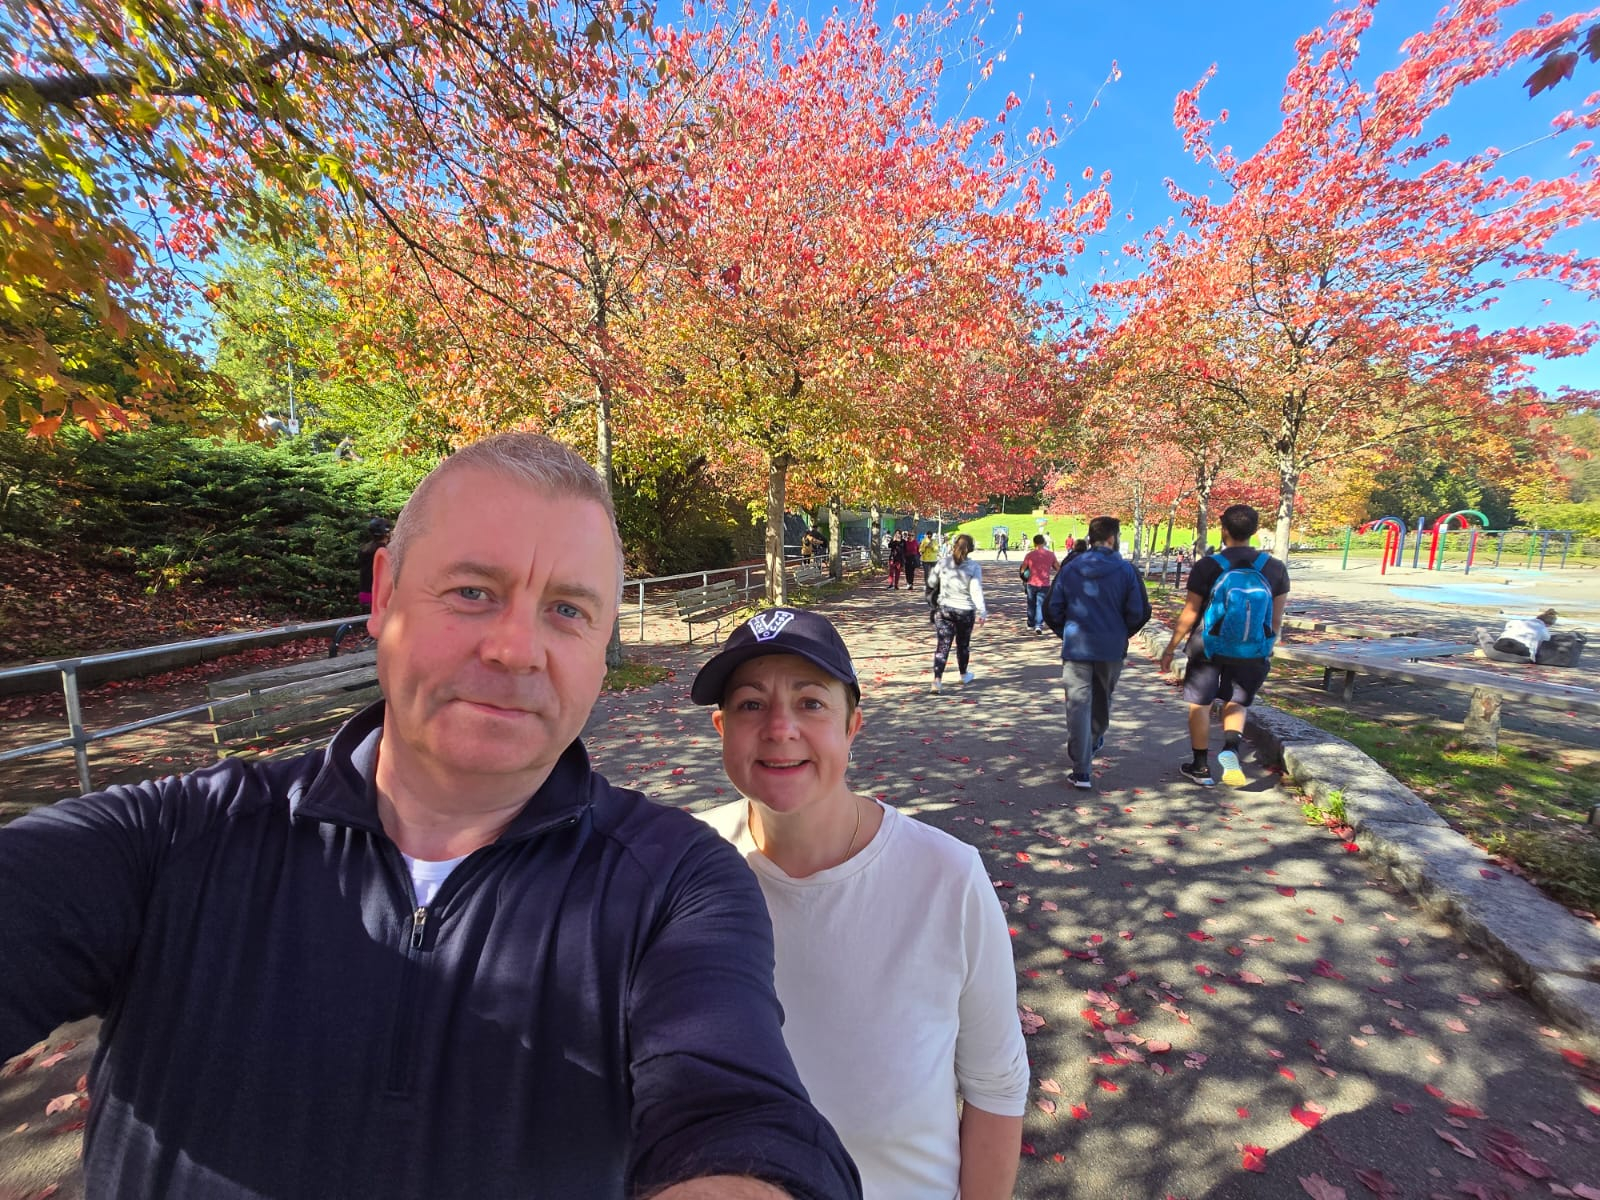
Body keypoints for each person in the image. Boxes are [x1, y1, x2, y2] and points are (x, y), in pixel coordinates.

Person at [0, 434, 859, 1200]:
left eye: (567, 609)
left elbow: (739, 1110)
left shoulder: (675, 885)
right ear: (383, 595)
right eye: (474, 591)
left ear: (603, 645)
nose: (516, 647)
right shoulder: (174, 844)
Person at [691, 609, 1028, 1199]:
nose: (778, 727)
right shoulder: (685, 867)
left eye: (811, 703)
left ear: (853, 725)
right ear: (722, 728)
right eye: (750, 704)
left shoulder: (945, 876)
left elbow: (995, 1086)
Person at [1159, 504, 1290, 789]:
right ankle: (1231, 748)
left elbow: (1191, 612)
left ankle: (1201, 767)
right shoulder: (1275, 568)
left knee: (1200, 704)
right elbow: (1277, 618)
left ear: (1224, 529)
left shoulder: (1209, 565)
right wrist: (1267, 646)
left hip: (1208, 647)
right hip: (1252, 649)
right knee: (1236, 702)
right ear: (1254, 531)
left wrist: (1171, 648)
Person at [1044, 516, 1152, 790]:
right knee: (1102, 699)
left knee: (1078, 705)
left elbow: (1052, 608)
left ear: (1091, 537)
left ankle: (1081, 767)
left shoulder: (1071, 568)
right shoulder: (1127, 570)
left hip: (1078, 644)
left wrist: (1066, 631)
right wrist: (1120, 633)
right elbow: (1139, 612)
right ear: (1112, 538)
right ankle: (1092, 742)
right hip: (1110, 647)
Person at [926, 532, 987, 692]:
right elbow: (975, 591)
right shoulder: (974, 567)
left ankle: (937, 680)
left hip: (945, 609)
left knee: (943, 645)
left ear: (954, 545)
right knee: (963, 644)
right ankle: (963, 674)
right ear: (971, 548)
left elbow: (931, 582)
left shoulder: (943, 563)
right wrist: (982, 611)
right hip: (965, 611)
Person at [1020, 533, 1059, 633]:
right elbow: (1058, 568)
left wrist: (1024, 577)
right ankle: (1038, 625)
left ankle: (1030, 623)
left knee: (1031, 603)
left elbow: (1023, 570)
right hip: (1044, 583)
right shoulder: (1050, 555)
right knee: (1040, 604)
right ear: (1044, 542)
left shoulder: (1029, 555)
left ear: (1034, 543)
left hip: (1031, 583)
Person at [1494, 608, 1558, 661]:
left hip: (1500, 644)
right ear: (1549, 624)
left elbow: (1508, 625)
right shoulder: (1544, 631)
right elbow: (1539, 647)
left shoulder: (1517, 622)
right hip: (1520, 651)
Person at [357, 515, 391, 609]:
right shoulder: (384, 552)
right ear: (387, 533)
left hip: (364, 595)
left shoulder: (364, 550)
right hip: (379, 597)